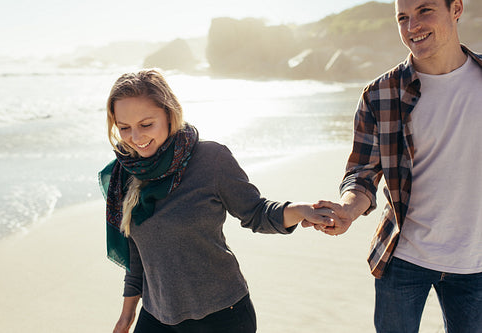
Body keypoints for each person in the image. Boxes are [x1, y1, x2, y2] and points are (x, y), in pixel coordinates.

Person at [98, 69, 334, 333]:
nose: (136, 138)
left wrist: (300, 210)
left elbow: (256, 212)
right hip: (156, 317)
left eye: (146, 124)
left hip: (222, 316)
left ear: (169, 114)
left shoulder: (210, 159)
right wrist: (126, 316)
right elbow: (137, 255)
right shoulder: (126, 173)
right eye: (124, 128)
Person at [309, 0, 482, 332]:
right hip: (403, 257)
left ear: (456, 8)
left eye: (425, 11)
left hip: (474, 262)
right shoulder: (380, 94)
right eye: (403, 17)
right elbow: (362, 172)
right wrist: (348, 210)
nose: (412, 25)